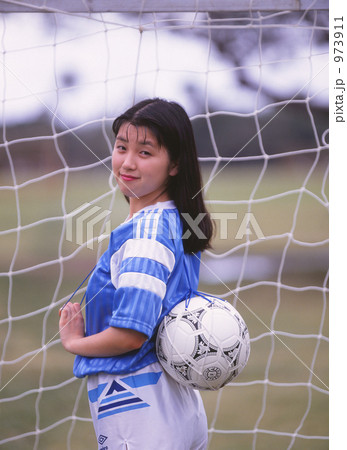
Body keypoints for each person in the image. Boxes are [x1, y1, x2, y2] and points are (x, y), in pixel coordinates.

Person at [59, 98, 214, 450]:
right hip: (177, 401)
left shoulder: (148, 231)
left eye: (145, 153)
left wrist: (74, 342)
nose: (127, 162)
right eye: (121, 147)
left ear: (174, 164)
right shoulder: (174, 218)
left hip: (137, 400)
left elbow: (130, 335)